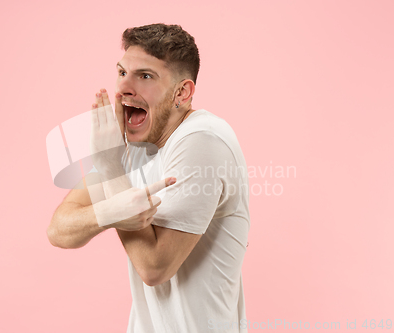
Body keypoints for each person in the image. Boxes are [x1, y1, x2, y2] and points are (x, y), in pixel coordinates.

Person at [47, 23, 250, 333]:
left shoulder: (203, 140)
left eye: (145, 76)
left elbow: (155, 267)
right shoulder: (133, 145)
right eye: (121, 72)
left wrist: (110, 168)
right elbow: (59, 230)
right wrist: (110, 205)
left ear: (182, 92)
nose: (124, 88)